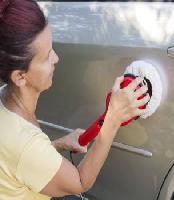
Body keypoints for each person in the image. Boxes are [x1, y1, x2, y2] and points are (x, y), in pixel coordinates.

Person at [0, 0, 150, 200]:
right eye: (46, 57)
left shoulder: (5, 102)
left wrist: (56, 145)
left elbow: (17, 163)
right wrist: (113, 118)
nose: (56, 58)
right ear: (19, 76)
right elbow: (80, 182)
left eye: (52, 48)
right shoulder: (25, 145)